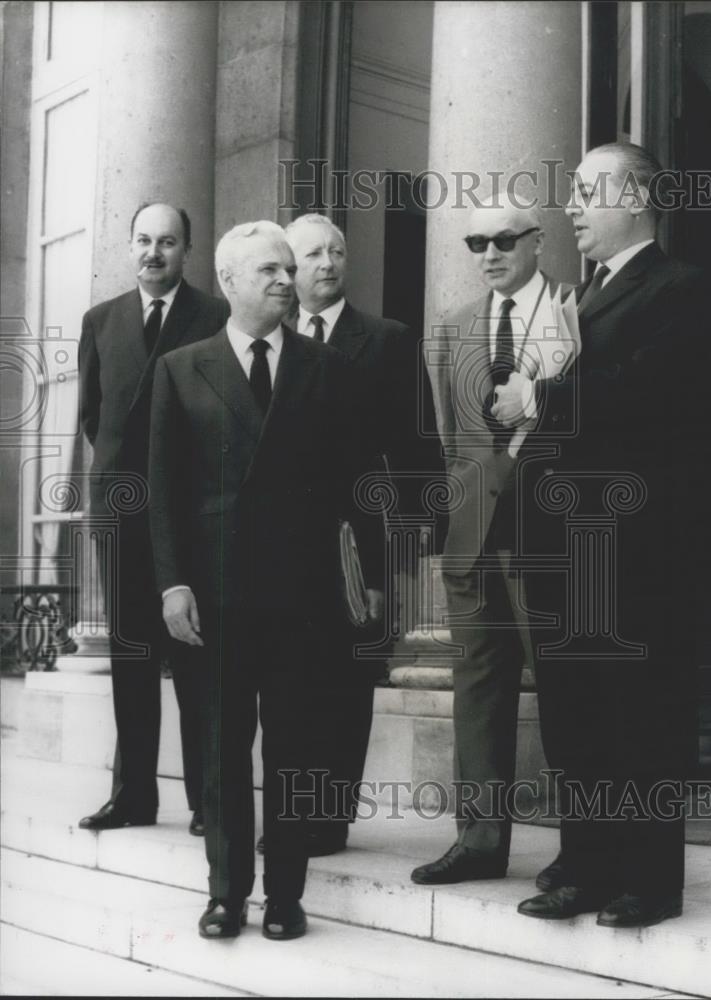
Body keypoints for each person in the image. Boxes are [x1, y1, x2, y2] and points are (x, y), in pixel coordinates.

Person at [148, 221, 384, 941]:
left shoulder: (326, 366)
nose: (287, 280)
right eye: (269, 271)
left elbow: (358, 482)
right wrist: (172, 584)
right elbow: (163, 490)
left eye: (290, 268)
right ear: (228, 281)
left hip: (303, 593)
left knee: (294, 744)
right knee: (220, 747)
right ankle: (226, 893)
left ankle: (285, 896)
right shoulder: (182, 367)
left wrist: (368, 577)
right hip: (215, 594)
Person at [511, 142, 711, 927]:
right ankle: (587, 866)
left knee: (639, 711)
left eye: (587, 191)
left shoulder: (680, 289)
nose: (571, 207)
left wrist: (546, 385)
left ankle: (650, 879)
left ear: (634, 198)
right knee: (575, 714)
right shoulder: (582, 296)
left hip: (633, 549)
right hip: (566, 545)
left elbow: (644, 403)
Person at [276, 212, 444, 857]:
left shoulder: (386, 339)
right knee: (293, 682)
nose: (328, 262)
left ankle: (330, 819)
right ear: (291, 267)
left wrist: (415, 535)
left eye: (337, 251)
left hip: (362, 544)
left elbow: (419, 445)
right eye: (313, 253)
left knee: (346, 682)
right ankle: (295, 812)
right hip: (287, 546)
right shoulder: (273, 340)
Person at [414, 200, 571, 885]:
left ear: (536, 241)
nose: (489, 253)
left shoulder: (573, 311)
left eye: (503, 239)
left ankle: (583, 845)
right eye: (476, 242)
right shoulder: (451, 327)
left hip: (551, 532)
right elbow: (451, 440)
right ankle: (479, 842)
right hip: (474, 536)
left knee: (569, 688)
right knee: (478, 684)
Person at [78, 202, 229, 836]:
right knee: (131, 656)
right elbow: (94, 415)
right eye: (143, 240)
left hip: (191, 517)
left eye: (167, 242)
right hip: (122, 512)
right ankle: (134, 794)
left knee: (197, 660)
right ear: (129, 246)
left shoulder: (215, 316)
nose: (153, 253)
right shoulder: (101, 319)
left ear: (186, 251)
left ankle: (205, 800)